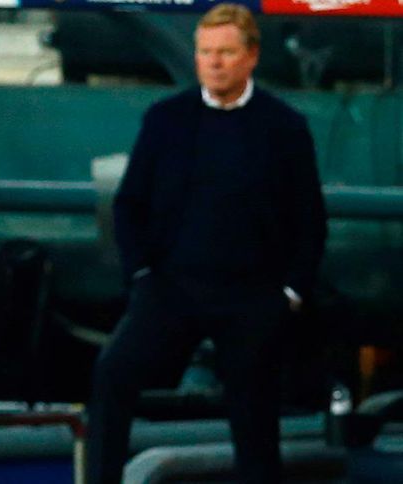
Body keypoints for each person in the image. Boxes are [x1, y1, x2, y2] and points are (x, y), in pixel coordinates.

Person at [86, 4, 328, 483]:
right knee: (113, 373)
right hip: (171, 289)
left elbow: (310, 221)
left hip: (252, 296)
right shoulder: (166, 120)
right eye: (205, 52)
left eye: (226, 52)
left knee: (256, 423)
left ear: (251, 56)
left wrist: (289, 295)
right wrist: (141, 276)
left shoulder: (284, 127)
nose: (214, 62)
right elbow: (129, 204)